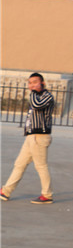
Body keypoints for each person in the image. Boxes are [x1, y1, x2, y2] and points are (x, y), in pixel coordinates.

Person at [1, 73, 56, 204]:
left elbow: (37, 105)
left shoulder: (46, 96)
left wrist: (32, 93)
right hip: (31, 136)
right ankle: (6, 191)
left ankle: (47, 195)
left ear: (42, 83)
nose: (32, 85)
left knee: (41, 166)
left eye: (35, 82)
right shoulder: (36, 96)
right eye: (30, 83)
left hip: (40, 136)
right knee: (19, 164)